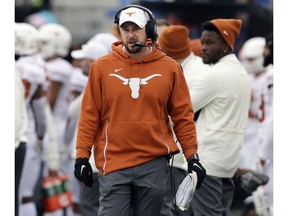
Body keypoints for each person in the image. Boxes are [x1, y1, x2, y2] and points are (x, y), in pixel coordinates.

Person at [74, 5, 206, 216]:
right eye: (125, 29)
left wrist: (192, 157)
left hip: (153, 163)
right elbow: (89, 115)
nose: (130, 35)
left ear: (150, 30)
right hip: (113, 161)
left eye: (136, 28)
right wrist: (82, 156)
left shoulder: (170, 68)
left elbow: (183, 117)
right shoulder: (101, 67)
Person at [189, 18, 251, 216]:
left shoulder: (215, 75)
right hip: (228, 162)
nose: (203, 48)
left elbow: (179, 110)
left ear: (225, 46)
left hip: (208, 163)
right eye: (202, 42)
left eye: (209, 43)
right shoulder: (240, 72)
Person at [158, 24, 210, 216]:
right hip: (179, 152)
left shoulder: (198, 73)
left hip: (184, 155)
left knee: (177, 210)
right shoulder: (198, 67)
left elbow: (178, 115)